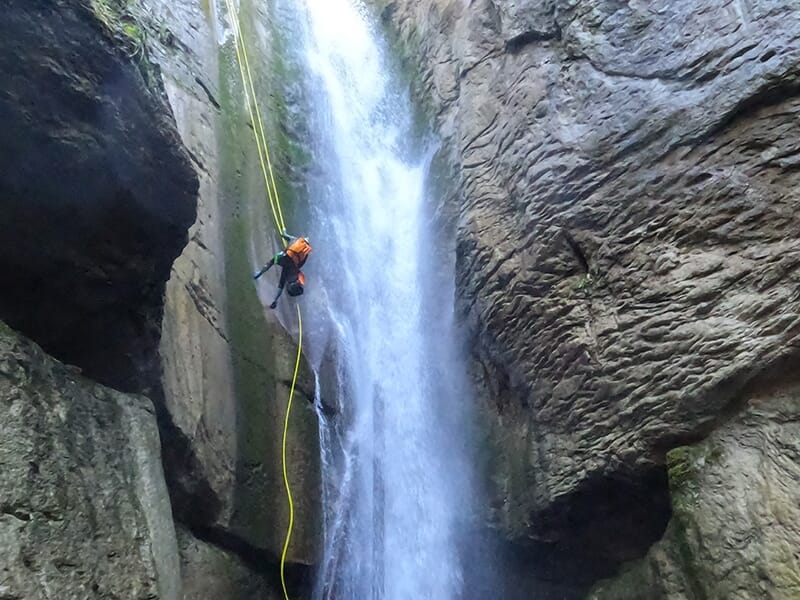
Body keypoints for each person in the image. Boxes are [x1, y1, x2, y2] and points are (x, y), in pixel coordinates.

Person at [254, 229, 312, 309]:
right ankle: (275, 301)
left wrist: (284, 232)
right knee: (282, 282)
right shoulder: (305, 254)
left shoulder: (296, 239)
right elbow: (300, 264)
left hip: (285, 257)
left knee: (271, 262)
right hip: (291, 266)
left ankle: (258, 274)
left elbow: (284, 235)